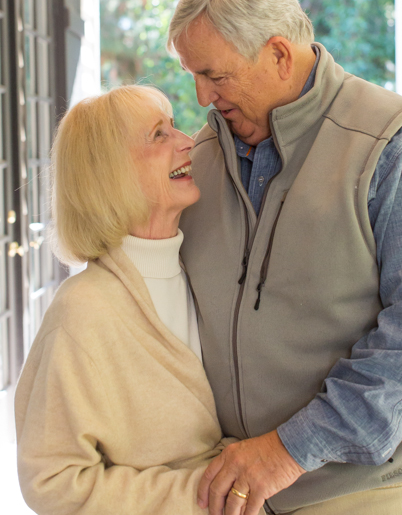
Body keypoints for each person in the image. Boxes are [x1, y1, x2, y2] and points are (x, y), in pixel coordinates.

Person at [167, 0, 402, 515]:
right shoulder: (201, 158)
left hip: (364, 489)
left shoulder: (396, 143)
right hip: (232, 486)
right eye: (192, 76)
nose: (201, 98)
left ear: (279, 54)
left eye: (214, 75)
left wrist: (288, 450)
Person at [15, 85, 261, 515]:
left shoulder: (206, 275)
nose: (187, 141)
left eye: (173, 128)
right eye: (158, 135)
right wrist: (202, 492)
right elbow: (51, 480)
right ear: (110, 173)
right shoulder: (82, 311)